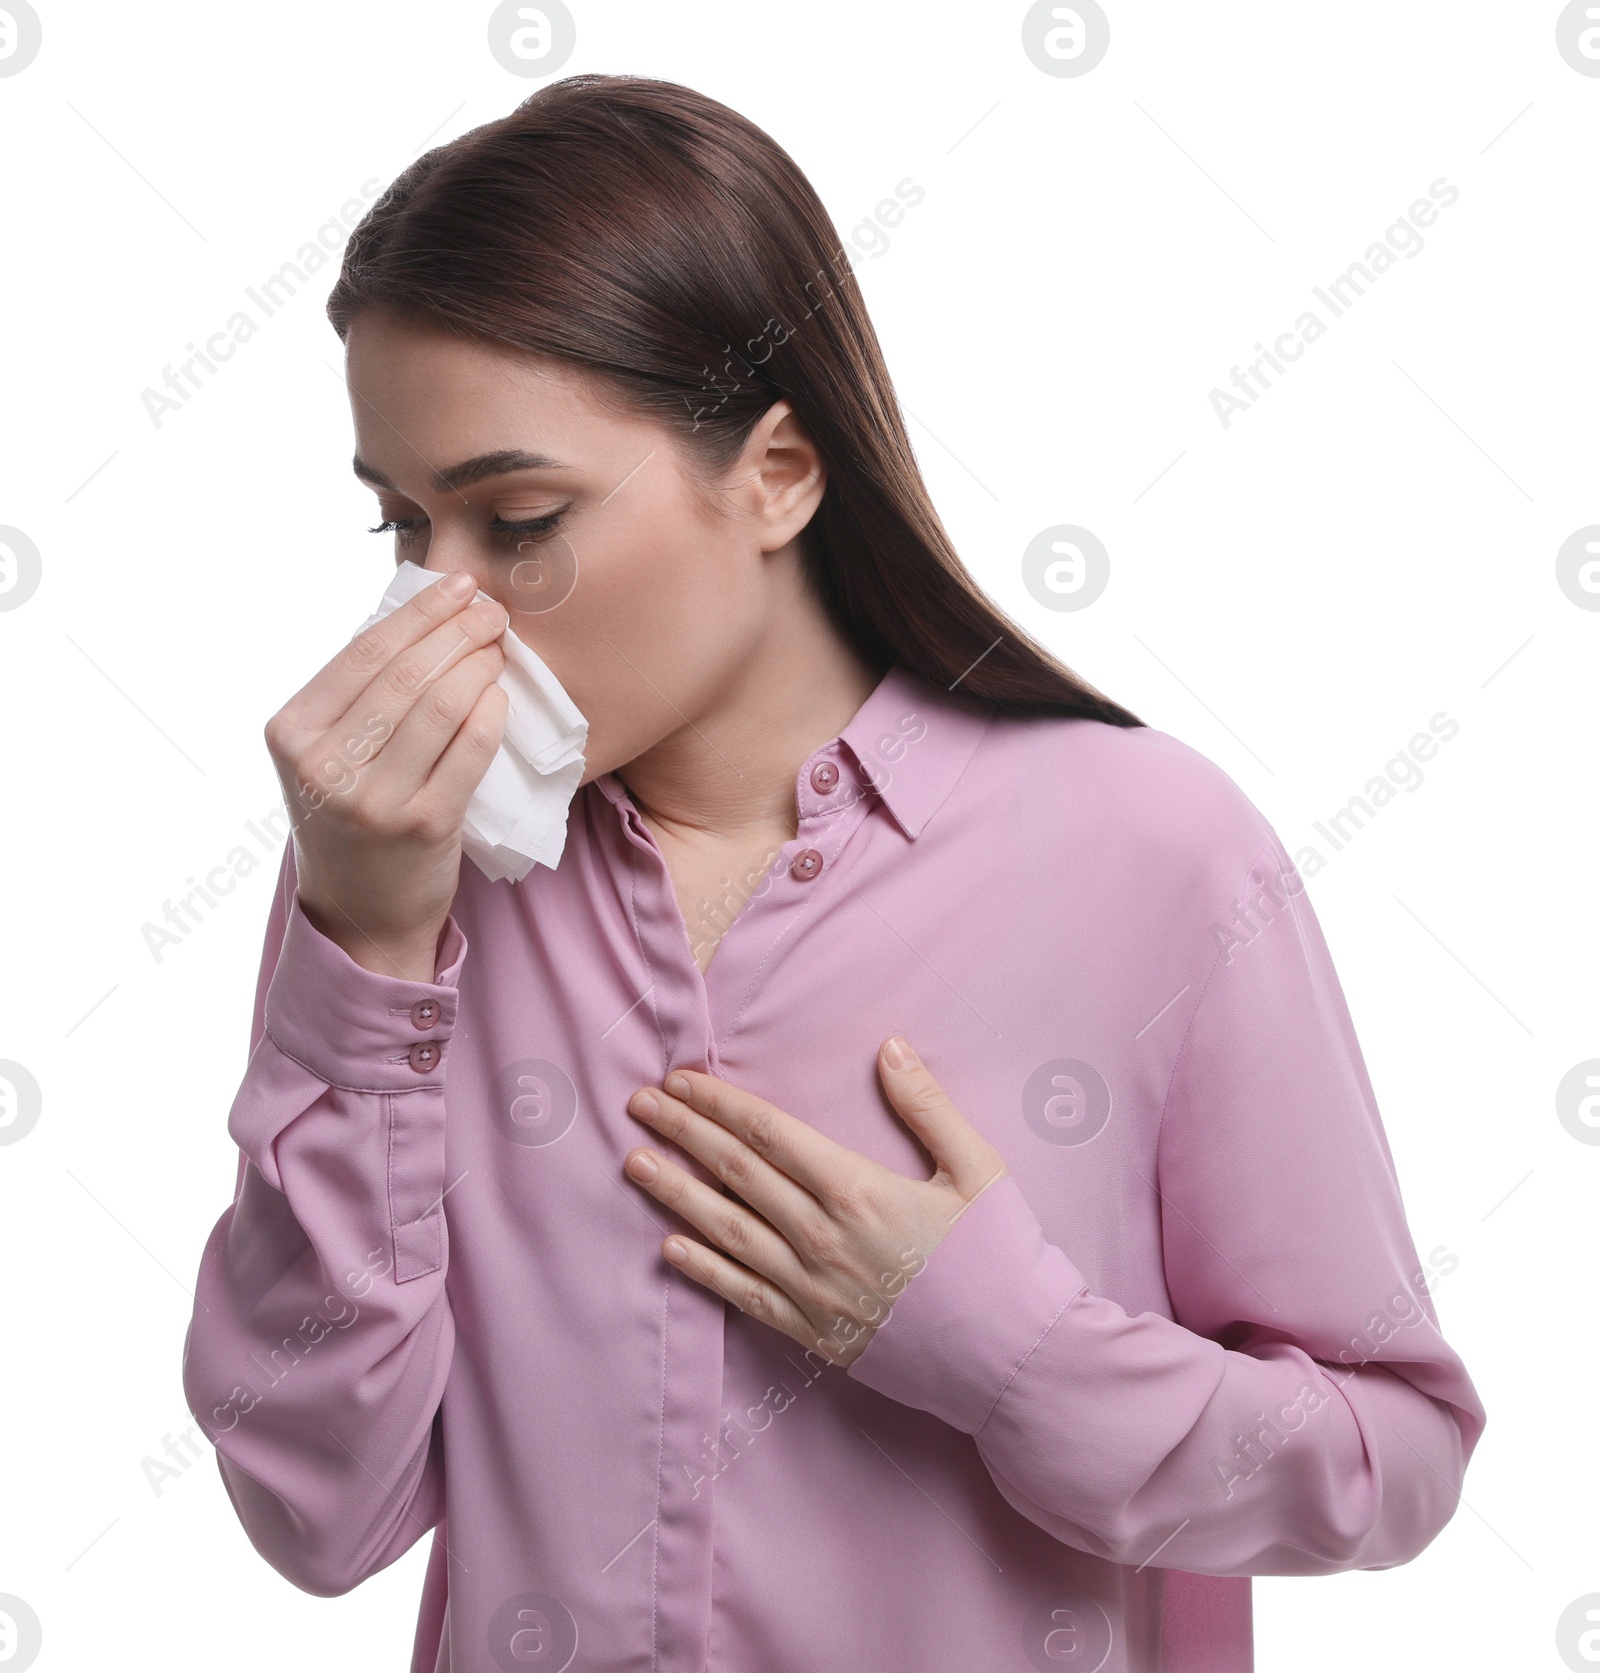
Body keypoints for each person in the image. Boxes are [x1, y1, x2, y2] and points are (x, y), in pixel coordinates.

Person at [181, 74, 1486, 1673]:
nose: (441, 614)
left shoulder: (1153, 852)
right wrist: (362, 957)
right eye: (402, 527)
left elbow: (1394, 1462)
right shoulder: (399, 885)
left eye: (520, 519)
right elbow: (320, 1517)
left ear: (780, 472)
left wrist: (1011, 1353)